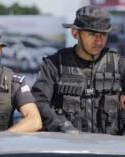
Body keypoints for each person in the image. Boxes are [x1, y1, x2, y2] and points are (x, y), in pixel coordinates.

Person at [31, 5, 125, 135]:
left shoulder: (119, 65)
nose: (98, 41)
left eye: (103, 34)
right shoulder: (54, 64)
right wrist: (63, 127)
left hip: (109, 149)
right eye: (92, 34)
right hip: (68, 147)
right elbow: (38, 100)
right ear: (75, 33)